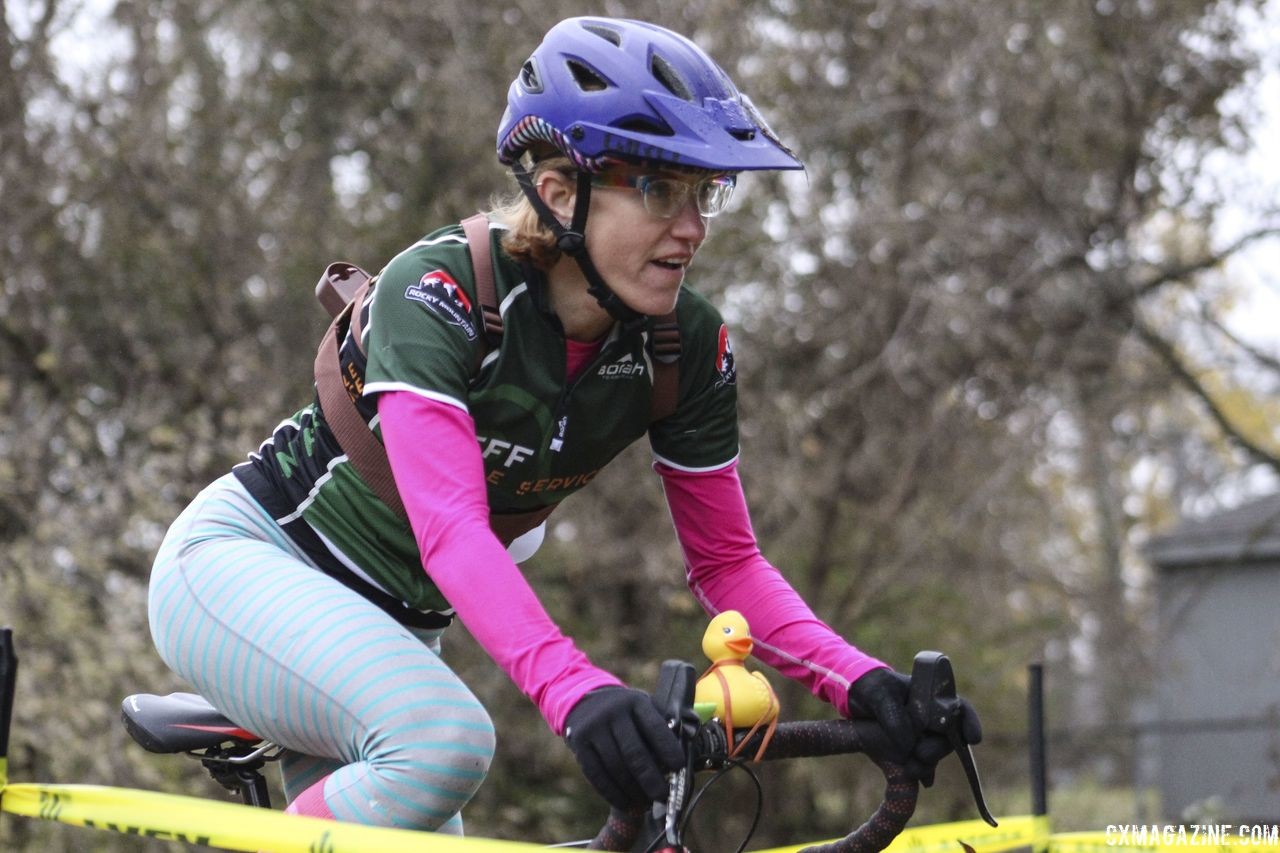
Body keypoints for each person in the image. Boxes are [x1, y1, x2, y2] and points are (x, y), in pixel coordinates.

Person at [147, 15, 981, 833]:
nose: (690, 227)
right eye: (659, 189)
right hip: (243, 566)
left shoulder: (684, 344)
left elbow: (727, 561)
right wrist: (575, 687)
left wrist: (862, 681)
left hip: (391, 628)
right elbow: (452, 529)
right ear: (557, 192)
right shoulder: (440, 291)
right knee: (445, 743)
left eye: (704, 193)